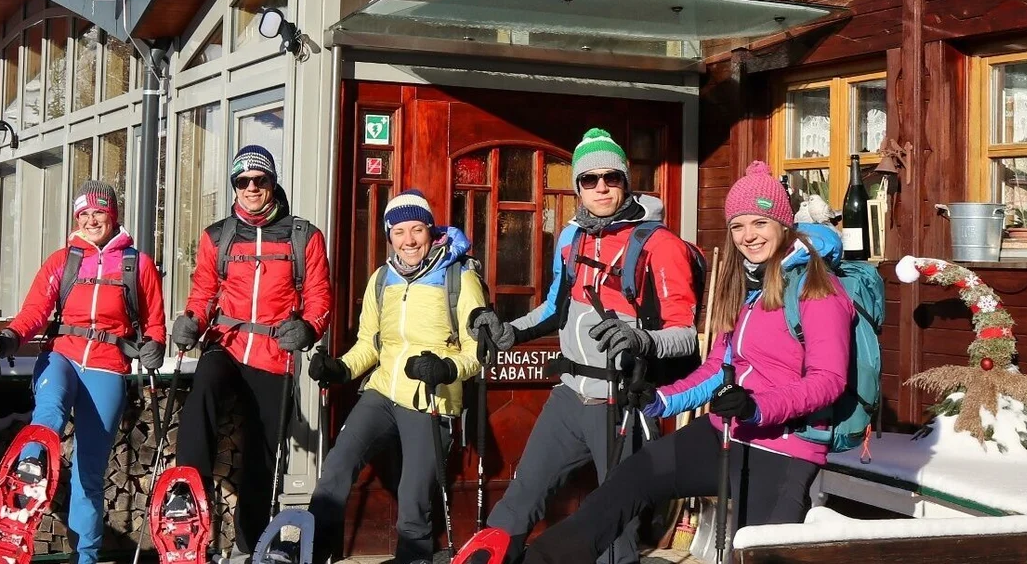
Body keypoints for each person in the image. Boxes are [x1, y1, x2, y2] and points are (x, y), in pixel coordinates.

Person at [520, 161, 855, 564]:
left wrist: (757, 406)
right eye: (738, 226)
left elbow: (829, 380)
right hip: (724, 431)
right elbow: (718, 368)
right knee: (630, 478)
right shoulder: (749, 288)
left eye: (759, 223)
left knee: (752, 555)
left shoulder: (819, 292)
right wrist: (658, 401)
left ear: (782, 225)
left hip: (782, 449)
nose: (748, 236)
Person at [465, 128, 700, 564]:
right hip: (568, 395)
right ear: (577, 187)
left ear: (626, 181)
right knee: (520, 498)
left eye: (611, 177)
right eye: (589, 180)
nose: (601, 188)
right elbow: (555, 308)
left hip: (620, 402)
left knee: (614, 523)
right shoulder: (572, 239)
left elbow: (685, 333)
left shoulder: (660, 245)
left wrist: (640, 339)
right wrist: (510, 333)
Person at [0, 180, 165, 564]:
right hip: (61, 354)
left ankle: (88, 557)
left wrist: (155, 346)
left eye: (99, 212)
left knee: (89, 473)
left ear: (113, 215)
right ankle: (29, 471)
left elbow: (154, 322)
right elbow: (34, 312)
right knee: (49, 409)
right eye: (84, 213)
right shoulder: (63, 260)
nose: (91, 219)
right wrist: (9, 338)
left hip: (108, 363)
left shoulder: (137, 264)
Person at [168, 145, 333, 560]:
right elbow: (205, 292)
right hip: (227, 342)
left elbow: (318, 296)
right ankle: (187, 495)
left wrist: (309, 328)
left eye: (260, 180)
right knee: (204, 385)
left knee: (262, 450)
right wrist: (191, 321)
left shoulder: (304, 236)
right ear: (235, 187)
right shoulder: (218, 236)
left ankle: (253, 541)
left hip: (274, 352)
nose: (252, 188)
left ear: (273, 183)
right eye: (243, 182)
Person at [307, 191, 485, 564]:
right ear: (389, 236)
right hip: (382, 392)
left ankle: (413, 559)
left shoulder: (459, 277)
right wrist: (339, 368)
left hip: (430, 397)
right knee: (336, 470)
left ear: (430, 230)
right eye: (399, 231)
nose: (408, 240)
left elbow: (478, 352)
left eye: (417, 229)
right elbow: (369, 345)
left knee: (414, 497)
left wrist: (447, 368)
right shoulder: (381, 279)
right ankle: (314, 552)